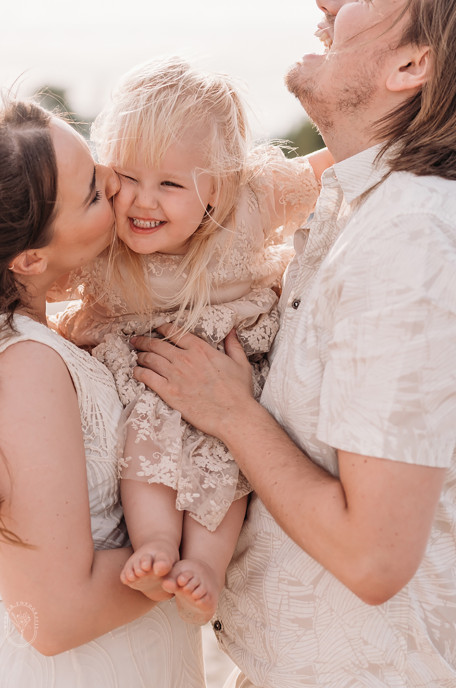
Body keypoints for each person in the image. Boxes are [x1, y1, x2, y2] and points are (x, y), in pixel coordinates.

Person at [132, 0, 456, 687]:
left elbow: (373, 556)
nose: (327, 1)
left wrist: (231, 412)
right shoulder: (375, 212)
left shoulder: (416, 238)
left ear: (412, 64)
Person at [0, 100, 205, 686]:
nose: (113, 181)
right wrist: (204, 555)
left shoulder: (19, 344)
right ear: (29, 258)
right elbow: (56, 614)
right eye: (90, 193)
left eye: (97, 164)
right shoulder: (22, 366)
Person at [54, 57, 331, 625]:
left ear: (218, 187)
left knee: (227, 452)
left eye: (171, 184)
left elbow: (334, 165)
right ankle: (154, 543)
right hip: (143, 369)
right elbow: (43, 263)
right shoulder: (104, 232)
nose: (143, 201)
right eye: (127, 177)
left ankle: (205, 563)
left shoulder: (250, 205)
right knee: (143, 425)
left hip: (231, 368)